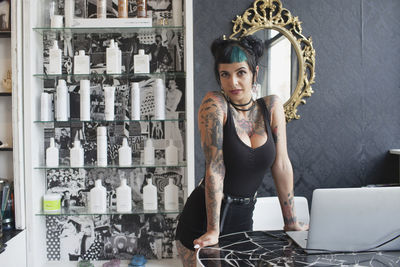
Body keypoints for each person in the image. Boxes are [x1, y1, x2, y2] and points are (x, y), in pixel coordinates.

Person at [174, 35, 308, 266]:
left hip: (243, 221)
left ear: (255, 73)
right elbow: (214, 168)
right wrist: (213, 230)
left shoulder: (272, 106)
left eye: (241, 73)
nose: (233, 82)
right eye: (225, 74)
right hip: (203, 221)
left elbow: (282, 164)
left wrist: (291, 223)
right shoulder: (214, 105)